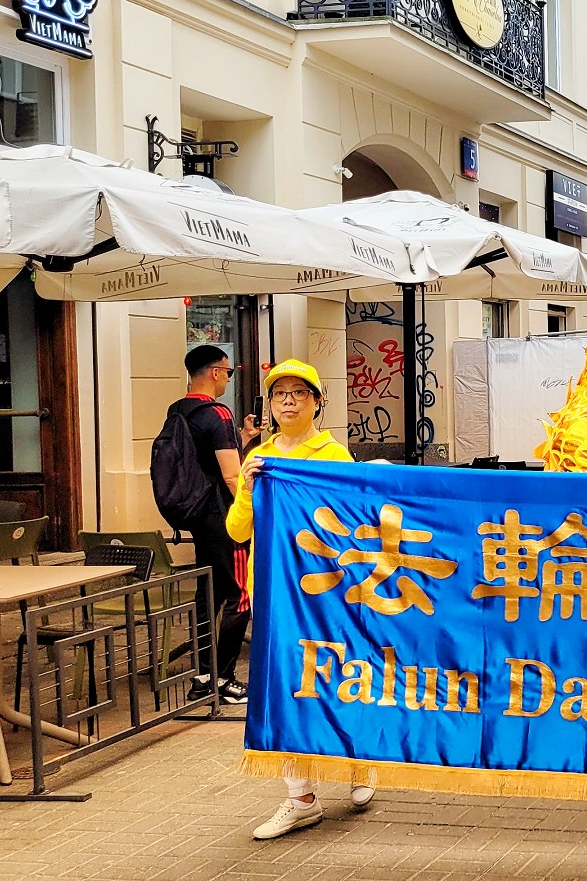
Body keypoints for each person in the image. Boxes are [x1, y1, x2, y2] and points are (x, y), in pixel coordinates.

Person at [226, 360, 373, 840]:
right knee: (285, 683)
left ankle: (358, 764)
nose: (288, 401)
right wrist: (246, 489)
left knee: (338, 672)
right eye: (279, 394)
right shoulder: (260, 457)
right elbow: (237, 530)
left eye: (298, 393)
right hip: (278, 589)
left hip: (329, 588)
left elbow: (355, 521)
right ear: (269, 405)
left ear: (316, 402)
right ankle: (300, 797)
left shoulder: (332, 454)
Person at [172, 345, 258, 706]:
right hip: (225, 518)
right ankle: (224, 677)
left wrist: (245, 439)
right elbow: (230, 474)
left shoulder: (179, 410)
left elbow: (206, 459)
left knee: (207, 593)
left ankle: (202, 675)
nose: (227, 377)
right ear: (215, 372)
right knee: (240, 593)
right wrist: (251, 508)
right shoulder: (218, 414)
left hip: (197, 516)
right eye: (228, 371)